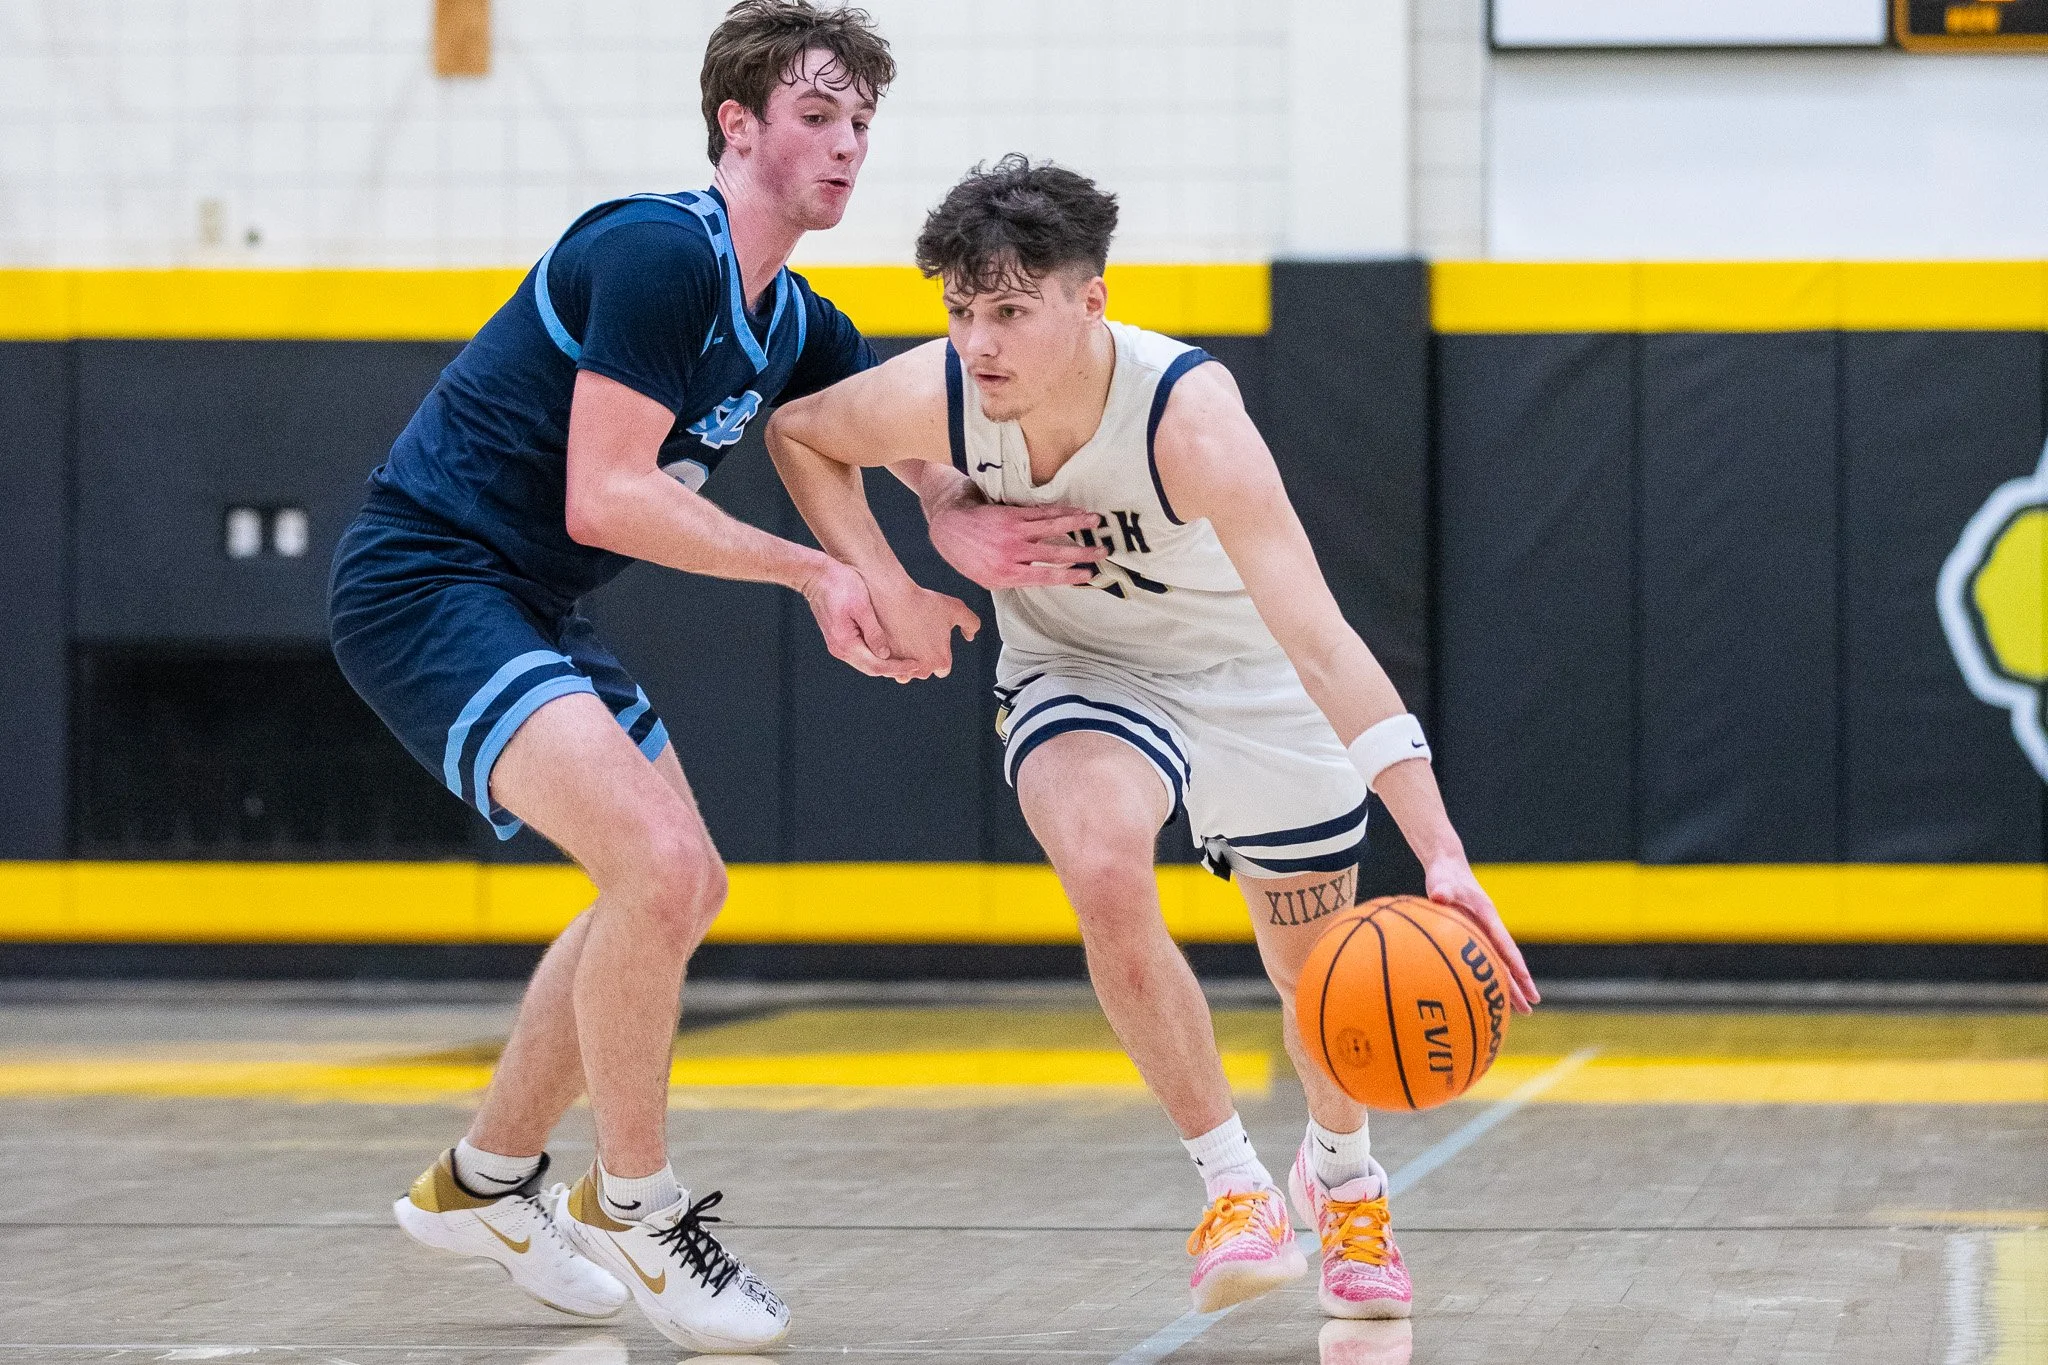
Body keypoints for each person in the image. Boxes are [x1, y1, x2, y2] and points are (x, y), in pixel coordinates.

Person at [327, 4, 1049, 1351]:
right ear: (739, 124)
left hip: (530, 601)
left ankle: (483, 1184)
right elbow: (606, 496)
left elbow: (864, 433)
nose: (848, 149)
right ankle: (637, 1207)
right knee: (658, 872)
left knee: (679, 886)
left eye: (862, 125)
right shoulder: (661, 250)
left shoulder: (785, 312)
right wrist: (821, 578)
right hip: (429, 580)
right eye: (820, 117)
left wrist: (950, 518)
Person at [764, 156, 1540, 1321]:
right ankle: (1230, 1185)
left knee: (1317, 976)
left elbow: (1324, 647)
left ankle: (1345, 1182)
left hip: (1253, 681)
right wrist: (926, 530)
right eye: (960, 311)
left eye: (1011, 310)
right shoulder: (943, 394)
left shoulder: (1191, 418)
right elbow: (799, 434)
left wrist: (1437, 852)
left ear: (1091, 302)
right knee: (1104, 861)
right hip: (1082, 671)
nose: (979, 342)